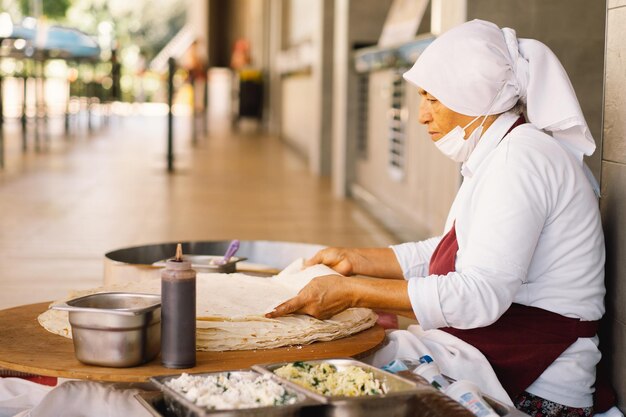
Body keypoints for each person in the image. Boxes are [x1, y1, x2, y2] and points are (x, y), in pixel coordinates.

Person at [267, 19, 619, 416]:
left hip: (535, 388)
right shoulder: (500, 153)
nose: (421, 116)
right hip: (494, 358)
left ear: (474, 97)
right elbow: (462, 249)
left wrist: (354, 290)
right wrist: (360, 261)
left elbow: (479, 295)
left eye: (433, 99)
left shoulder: (520, 160)